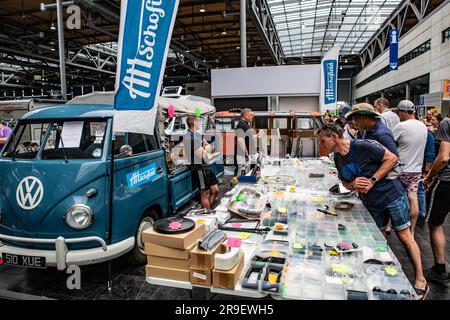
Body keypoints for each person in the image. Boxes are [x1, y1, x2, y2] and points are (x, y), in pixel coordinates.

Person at [316, 123, 429, 299]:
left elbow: (392, 158)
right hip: (371, 201)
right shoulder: (337, 158)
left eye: (323, 140)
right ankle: (382, 276)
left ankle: (421, 279)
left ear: (333, 137)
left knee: (405, 236)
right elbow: (344, 181)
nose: (321, 145)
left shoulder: (361, 146)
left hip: (391, 195)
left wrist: (373, 180)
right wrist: (352, 184)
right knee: (377, 239)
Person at [392, 100, 428, 236]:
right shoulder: (423, 126)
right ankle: (411, 231)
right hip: (416, 169)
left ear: (403, 112)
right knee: (413, 197)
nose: (398, 115)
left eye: (398, 112)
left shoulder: (401, 126)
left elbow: (391, 144)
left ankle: (390, 227)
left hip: (400, 169)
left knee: (393, 198)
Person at [423, 116, 450, 286]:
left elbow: (443, 157)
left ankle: (439, 269)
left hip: (447, 182)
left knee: (435, 223)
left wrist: (429, 176)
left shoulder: (447, 123)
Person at [184, 115, 219, 209]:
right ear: (194, 123)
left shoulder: (197, 136)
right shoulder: (189, 137)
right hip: (199, 167)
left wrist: (206, 148)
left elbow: (210, 148)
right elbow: (201, 153)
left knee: (215, 190)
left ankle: (207, 210)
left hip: (206, 165)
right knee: (205, 193)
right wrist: (205, 148)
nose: (200, 123)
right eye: (199, 121)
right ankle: (207, 214)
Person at [234, 108, 259, 177]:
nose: (252, 117)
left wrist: (256, 136)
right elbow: (240, 140)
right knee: (241, 172)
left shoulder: (245, 124)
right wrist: (246, 154)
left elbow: (247, 138)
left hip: (245, 154)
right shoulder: (241, 125)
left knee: (246, 172)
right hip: (242, 155)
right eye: (251, 115)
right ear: (246, 116)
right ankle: (238, 187)